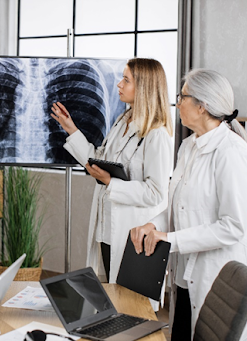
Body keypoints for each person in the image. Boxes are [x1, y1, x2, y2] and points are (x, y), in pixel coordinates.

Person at [130, 69, 247, 340]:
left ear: (202, 106)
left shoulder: (231, 152)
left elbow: (232, 226)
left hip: (215, 275)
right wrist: (154, 224)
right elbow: (181, 206)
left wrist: (170, 239)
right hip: (185, 275)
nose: (178, 102)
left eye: (183, 97)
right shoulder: (188, 146)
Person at [51, 58, 173, 292]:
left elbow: (156, 192)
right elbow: (100, 157)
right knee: (109, 296)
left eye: (126, 80)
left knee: (130, 304)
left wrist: (110, 181)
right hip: (106, 230)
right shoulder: (122, 122)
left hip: (132, 233)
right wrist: (71, 128)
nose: (119, 84)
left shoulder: (156, 135)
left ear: (144, 87)